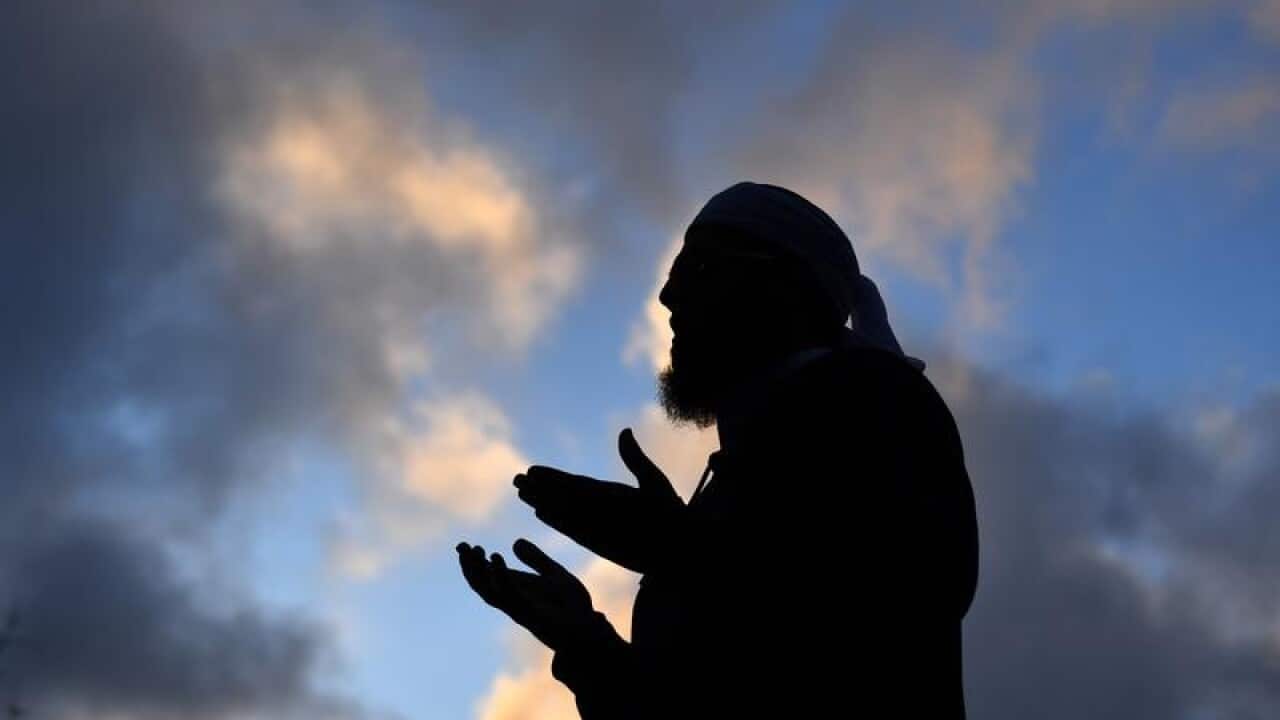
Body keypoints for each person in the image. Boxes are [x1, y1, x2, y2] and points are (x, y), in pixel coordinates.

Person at [457, 181, 979, 718]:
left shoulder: (875, 399)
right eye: (673, 272)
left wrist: (674, 546)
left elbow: (889, 614)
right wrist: (583, 642)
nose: (669, 296)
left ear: (785, 287)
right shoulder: (745, 470)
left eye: (698, 270)